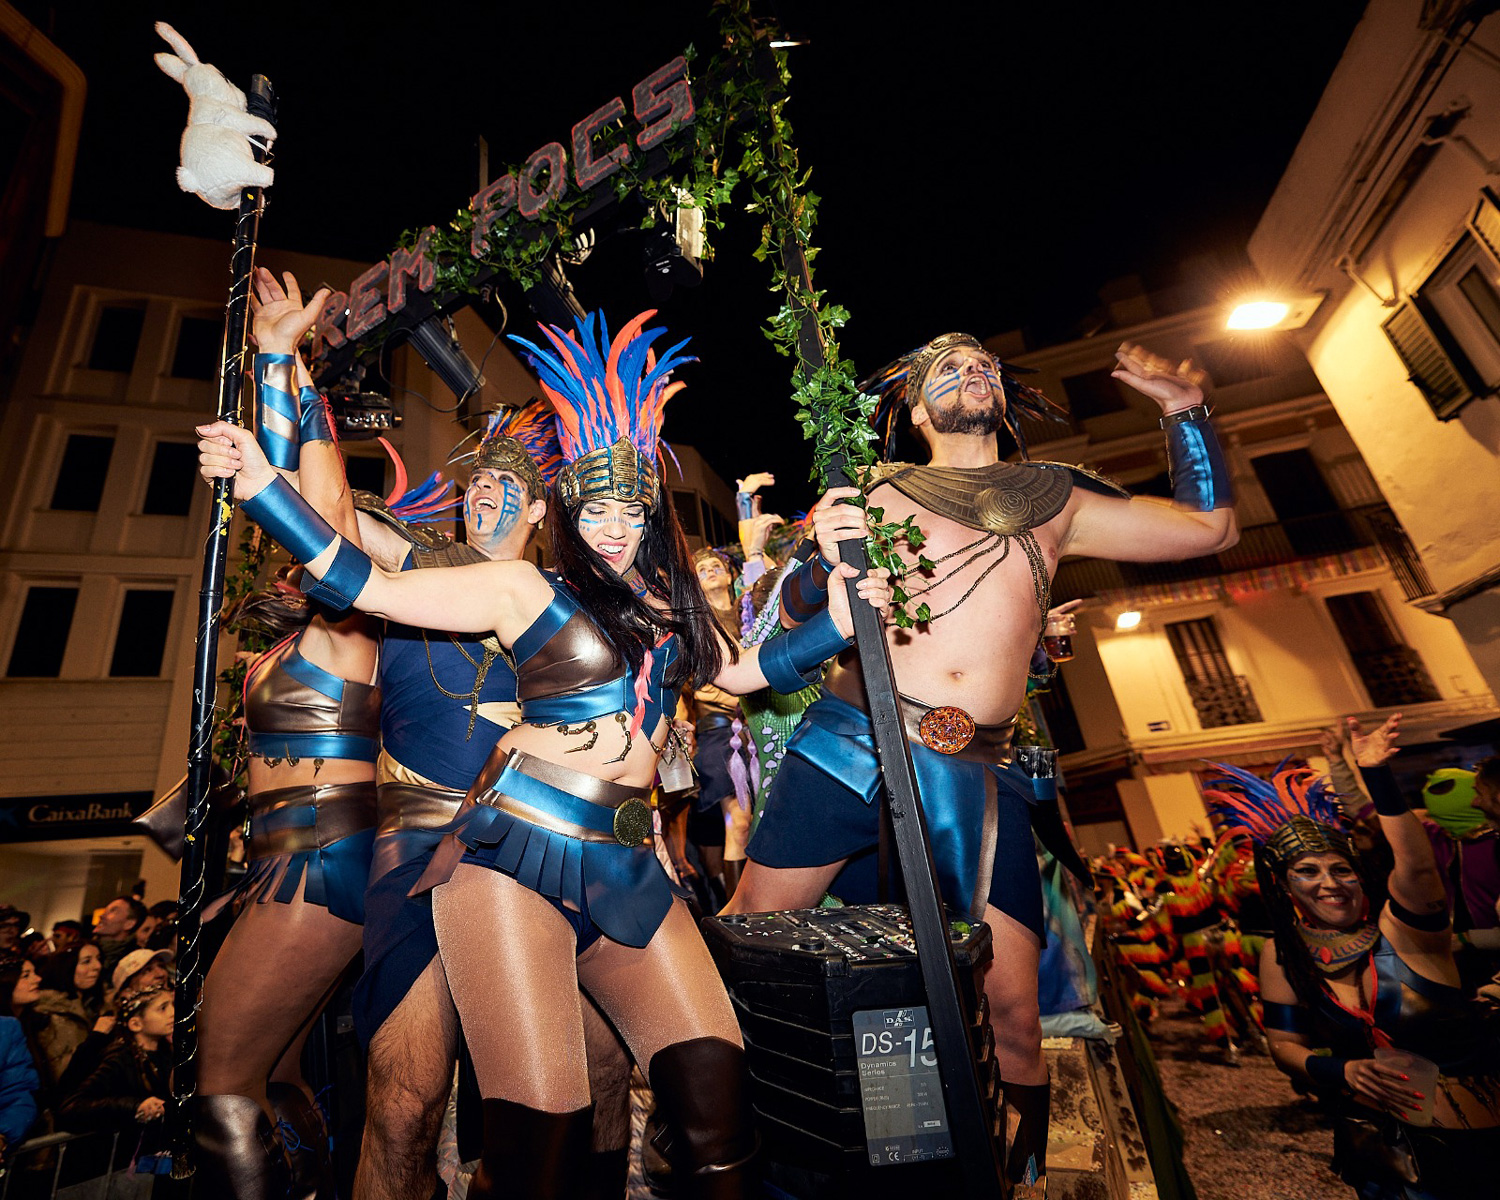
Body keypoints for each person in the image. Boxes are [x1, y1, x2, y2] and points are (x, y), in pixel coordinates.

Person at [198, 306, 889, 1199]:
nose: (614, 527)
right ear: (565, 511)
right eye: (594, 507)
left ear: (651, 514)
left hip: (625, 865)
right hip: (510, 858)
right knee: (533, 1144)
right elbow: (359, 579)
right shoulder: (519, 588)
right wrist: (262, 482)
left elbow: (745, 670)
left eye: (630, 508)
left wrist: (838, 607)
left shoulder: (667, 611)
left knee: (720, 1122)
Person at [732, 336, 1239, 1195]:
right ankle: (740, 1153)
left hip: (979, 771)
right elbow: (786, 619)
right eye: (946, 367)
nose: (973, 369)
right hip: (855, 741)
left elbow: (1212, 529)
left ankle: (1017, 1181)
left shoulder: (1056, 495)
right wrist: (819, 557)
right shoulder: (874, 491)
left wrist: (1184, 413)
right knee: (752, 938)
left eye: (986, 365)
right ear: (915, 411)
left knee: (1013, 1014)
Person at [187, 276, 384, 1200]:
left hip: (317, 863)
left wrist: (284, 369)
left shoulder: (348, 631)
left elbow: (327, 519)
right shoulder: (301, 640)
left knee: (220, 1087)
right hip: (288, 862)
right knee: (273, 1078)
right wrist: (282, 372)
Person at [1206, 716, 1500, 1199]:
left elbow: (1417, 866)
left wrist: (1376, 774)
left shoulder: (1407, 934)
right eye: (1308, 871)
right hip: (1384, 1160)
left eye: (1341, 869)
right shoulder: (1284, 955)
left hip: (1478, 1152)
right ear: (1283, 885)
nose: (1330, 883)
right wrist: (1342, 1070)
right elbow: (1283, 1044)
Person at [32, 943, 108, 1093]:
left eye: (98, 959)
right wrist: (97, 1036)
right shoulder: (52, 1014)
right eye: (86, 961)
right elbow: (63, 1075)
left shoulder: (95, 1005)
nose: (97, 966)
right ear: (67, 967)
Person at [91, 897, 146, 978]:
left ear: (129, 924)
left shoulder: (137, 961)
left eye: (113, 911)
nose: (102, 916)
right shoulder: (84, 950)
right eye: (106, 911)